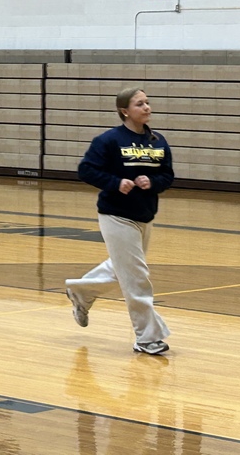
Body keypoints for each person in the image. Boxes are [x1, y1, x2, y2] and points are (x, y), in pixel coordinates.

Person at [64, 87, 173, 355]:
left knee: (122, 269)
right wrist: (115, 183)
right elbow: (86, 169)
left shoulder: (158, 141)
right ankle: (147, 337)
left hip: (145, 214)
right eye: (139, 104)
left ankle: (81, 292)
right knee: (136, 277)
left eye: (148, 102)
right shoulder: (109, 140)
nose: (146, 107)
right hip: (116, 216)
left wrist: (153, 182)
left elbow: (167, 175)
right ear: (125, 110)